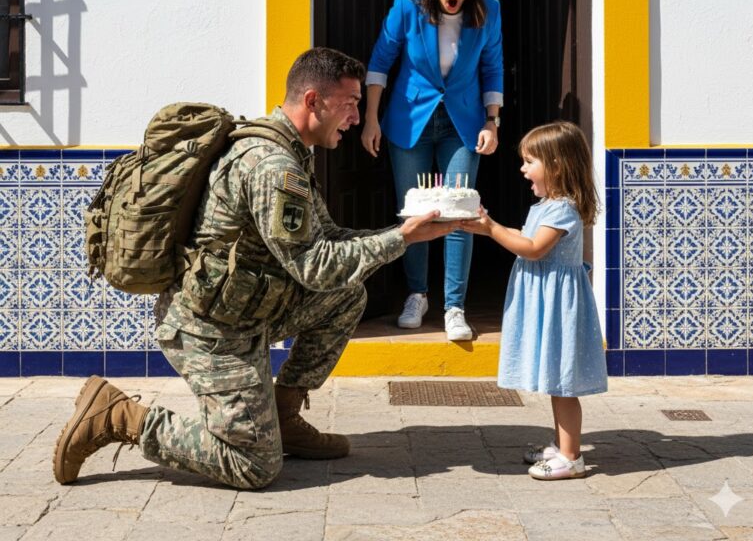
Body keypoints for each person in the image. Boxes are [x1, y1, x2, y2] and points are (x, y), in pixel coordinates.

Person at [53, 47, 459, 490]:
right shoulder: (272, 166)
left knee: (346, 295)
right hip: (209, 331)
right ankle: (119, 415)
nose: (357, 117)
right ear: (312, 101)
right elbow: (315, 266)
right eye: (350, 103)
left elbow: (325, 240)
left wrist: (407, 228)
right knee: (253, 465)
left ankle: (282, 418)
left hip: (244, 313)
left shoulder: (287, 150)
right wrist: (402, 239)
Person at [361, 0, 504, 341]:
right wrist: (371, 118)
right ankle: (417, 294)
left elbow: (492, 68)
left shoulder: (488, 10)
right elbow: (380, 61)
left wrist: (492, 122)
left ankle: (455, 306)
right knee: (415, 213)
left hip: (463, 123)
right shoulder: (407, 5)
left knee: (458, 211)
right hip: (410, 121)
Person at [461, 121, 607, 480]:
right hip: (548, 302)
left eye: (530, 161)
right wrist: (489, 225)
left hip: (558, 307)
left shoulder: (562, 209)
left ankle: (571, 458)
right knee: (556, 378)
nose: (523, 169)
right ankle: (561, 447)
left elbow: (534, 249)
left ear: (555, 165)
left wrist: (492, 230)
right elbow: (523, 236)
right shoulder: (546, 206)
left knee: (563, 382)